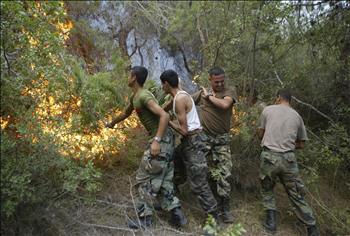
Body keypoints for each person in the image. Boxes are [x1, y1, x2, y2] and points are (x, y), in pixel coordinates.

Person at [106, 66, 187, 229]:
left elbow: (163, 115)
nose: (128, 78)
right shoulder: (135, 96)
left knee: (144, 179)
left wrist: (156, 140)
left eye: (129, 75)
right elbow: (125, 113)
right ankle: (177, 215)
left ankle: (145, 219)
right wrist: (112, 123)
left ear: (134, 77)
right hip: (165, 139)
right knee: (163, 179)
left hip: (161, 139)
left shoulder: (144, 95)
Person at [257, 88, 319, 236]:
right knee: (295, 194)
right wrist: (288, 145)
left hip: (269, 157)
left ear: (278, 98)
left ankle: (271, 225)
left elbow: (260, 133)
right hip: (288, 160)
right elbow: (301, 144)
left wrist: (271, 139)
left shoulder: (267, 110)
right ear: (290, 100)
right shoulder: (297, 116)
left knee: (267, 189)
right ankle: (312, 228)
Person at [160, 69, 219, 220]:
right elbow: (164, 108)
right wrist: (158, 110)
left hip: (193, 141)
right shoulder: (178, 96)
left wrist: (168, 121)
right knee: (173, 167)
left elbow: (184, 131)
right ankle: (170, 201)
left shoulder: (180, 99)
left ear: (166, 84)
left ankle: (214, 219)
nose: (161, 88)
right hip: (189, 142)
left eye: (162, 85)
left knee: (199, 183)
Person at [191, 67, 237, 223]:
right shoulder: (204, 92)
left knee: (224, 174)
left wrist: (209, 98)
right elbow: (188, 101)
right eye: (217, 81)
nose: (220, 84)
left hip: (221, 141)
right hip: (205, 139)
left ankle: (225, 209)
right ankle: (209, 206)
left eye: (222, 80)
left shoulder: (229, 91)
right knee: (199, 170)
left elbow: (225, 105)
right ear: (210, 79)